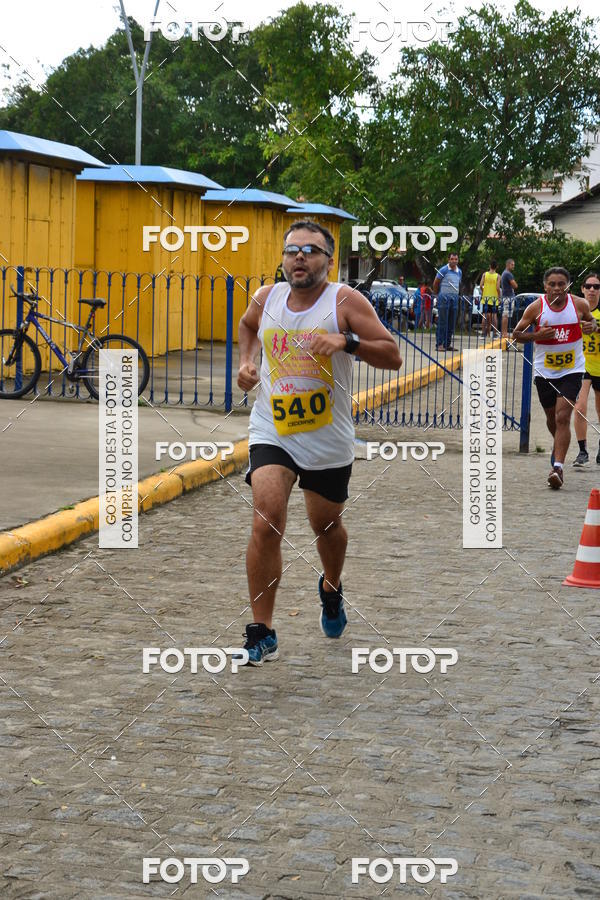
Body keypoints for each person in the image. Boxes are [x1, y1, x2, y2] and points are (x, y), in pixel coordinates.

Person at [236, 221, 402, 665]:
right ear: (284, 258)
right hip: (273, 429)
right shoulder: (266, 298)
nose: (300, 258)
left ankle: (331, 586)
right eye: (292, 251)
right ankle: (262, 630)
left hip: (327, 438)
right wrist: (247, 363)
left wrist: (347, 341)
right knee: (266, 519)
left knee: (325, 526)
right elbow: (247, 326)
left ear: (329, 259)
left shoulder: (345, 301)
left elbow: (392, 354)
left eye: (311, 250)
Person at [513, 266, 597, 489]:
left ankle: (557, 468)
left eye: (562, 284)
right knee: (553, 419)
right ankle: (558, 446)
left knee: (562, 417)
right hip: (544, 372)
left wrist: (591, 326)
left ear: (568, 286)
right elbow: (516, 334)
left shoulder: (579, 304)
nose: (557, 288)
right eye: (552, 284)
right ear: (545, 287)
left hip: (572, 371)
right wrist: (537, 335)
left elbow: (592, 321)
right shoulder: (536, 308)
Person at [573, 272, 600, 467]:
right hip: (581, 366)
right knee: (580, 407)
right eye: (588, 286)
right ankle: (582, 451)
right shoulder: (574, 311)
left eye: (596, 287)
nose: (592, 290)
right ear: (582, 289)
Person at [433, 252, 462, 351]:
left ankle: (447, 344)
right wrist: (437, 295)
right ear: (449, 260)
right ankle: (439, 344)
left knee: (451, 323)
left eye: (456, 259)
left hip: (454, 299)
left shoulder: (459, 271)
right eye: (452, 259)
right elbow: (436, 282)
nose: (454, 261)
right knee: (442, 322)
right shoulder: (444, 270)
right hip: (444, 299)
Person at [480, 260, 501, 338]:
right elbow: (498, 288)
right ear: (497, 267)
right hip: (494, 298)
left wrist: (484, 291)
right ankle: (495, 334)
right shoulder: (498, 276)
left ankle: (483, 333)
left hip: (485, 298)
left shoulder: (485, 274)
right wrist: (499, 296)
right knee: (494, 316)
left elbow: (481, 285)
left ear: (489, 266)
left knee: (484, 315)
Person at [500, 259, 518, 337]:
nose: (513, 266)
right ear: (508, 264)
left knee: (505, 315)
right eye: (512, 264)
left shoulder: (504, 273)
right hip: (508, 297)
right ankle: (504, 333)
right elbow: (515, 285)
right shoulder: (508, 274)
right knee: (506, 315)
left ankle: (504, 332)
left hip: (505, 296)